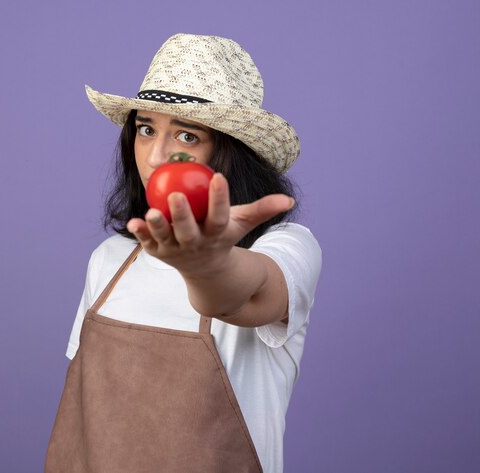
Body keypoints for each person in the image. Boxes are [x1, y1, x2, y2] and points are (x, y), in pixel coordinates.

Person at [45, 33, 322, 473]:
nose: (156, 157)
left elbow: (245, 295)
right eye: (145, 129)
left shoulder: (287, 248)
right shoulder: (109, 259)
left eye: (187, 135)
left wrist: (207, 268)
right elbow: (84, 418)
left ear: (229, 155)